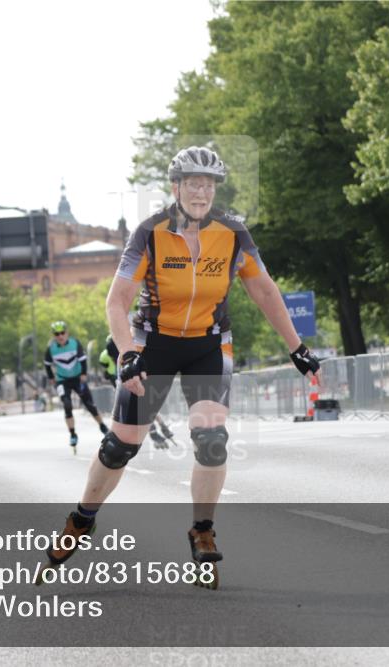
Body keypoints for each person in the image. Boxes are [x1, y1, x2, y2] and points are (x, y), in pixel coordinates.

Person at [41, 146, 321, 583]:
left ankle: (203, 530)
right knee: (121, 446)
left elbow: (264, 290)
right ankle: (82, 516)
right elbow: (116, 301)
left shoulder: (232, 232)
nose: (201, 192)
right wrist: (129, 354)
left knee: (212, 439)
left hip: (208, 344)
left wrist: (296, 347)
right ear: (175, 187)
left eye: (208, 185)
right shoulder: (150, 232)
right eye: (193, 183)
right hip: (153, 343)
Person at [99, 334, 176, 450]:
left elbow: (107, 363)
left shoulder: (105, 353)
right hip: (135, 375)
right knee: (146, 404)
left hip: (121, 379)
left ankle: (153, 431)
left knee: (138, 407)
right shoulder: (131, 343)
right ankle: (161, 425)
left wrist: (107, 373)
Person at [43, 320, 109, 453]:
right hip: (62, 380)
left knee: (89, 404)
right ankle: (73, 434)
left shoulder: (75, 343)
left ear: (67, 333)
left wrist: (84, 374)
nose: (60, 336)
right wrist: (51, 378)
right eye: (57, 334)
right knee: (67, 405)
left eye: (62, 333)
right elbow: (47, 365)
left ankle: (102, 426)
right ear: (54, 336)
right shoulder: (51, 349)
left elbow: (83, 360)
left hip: (78, 378)